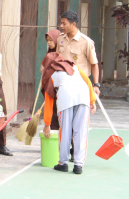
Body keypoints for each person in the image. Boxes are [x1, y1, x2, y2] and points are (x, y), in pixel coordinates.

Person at [41, 52, 96, 174]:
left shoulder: (51, 74)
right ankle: (78, 165)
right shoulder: (73, 66)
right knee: (81, 132)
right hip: (83, 97)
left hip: (66, 99)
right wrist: (92, 101)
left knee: (65, 131)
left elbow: (49, 102)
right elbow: (87, 81)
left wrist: (47, 124)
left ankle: (63, 163)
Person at [56, 10, 100, 161]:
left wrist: (96, 85)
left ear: (73, 24)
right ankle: (64, 160)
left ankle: (78, 159)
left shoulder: (86, 42)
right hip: (64, 89)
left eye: (64, 23)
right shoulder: (60, 39)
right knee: (64, 125)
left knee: (79, 127)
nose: (61, 26)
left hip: (81, 88)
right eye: (61, 23)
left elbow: (94, 65)